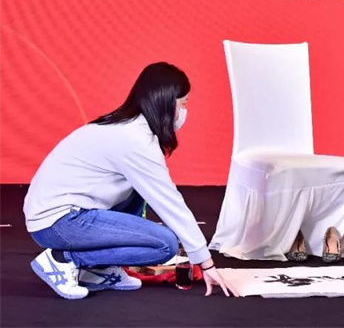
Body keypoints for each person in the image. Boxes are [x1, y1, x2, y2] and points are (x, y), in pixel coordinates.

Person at [23, 62, 238, 299]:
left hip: (65, 214)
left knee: (137, 192)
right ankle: (64, 259)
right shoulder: (135, 139)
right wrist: (206, 262)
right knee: (164, 244)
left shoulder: (126, 126)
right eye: (183, 104)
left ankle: (99, 270)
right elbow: (170, 203)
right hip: (59, 223)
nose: (185, 112)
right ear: (166, 103)